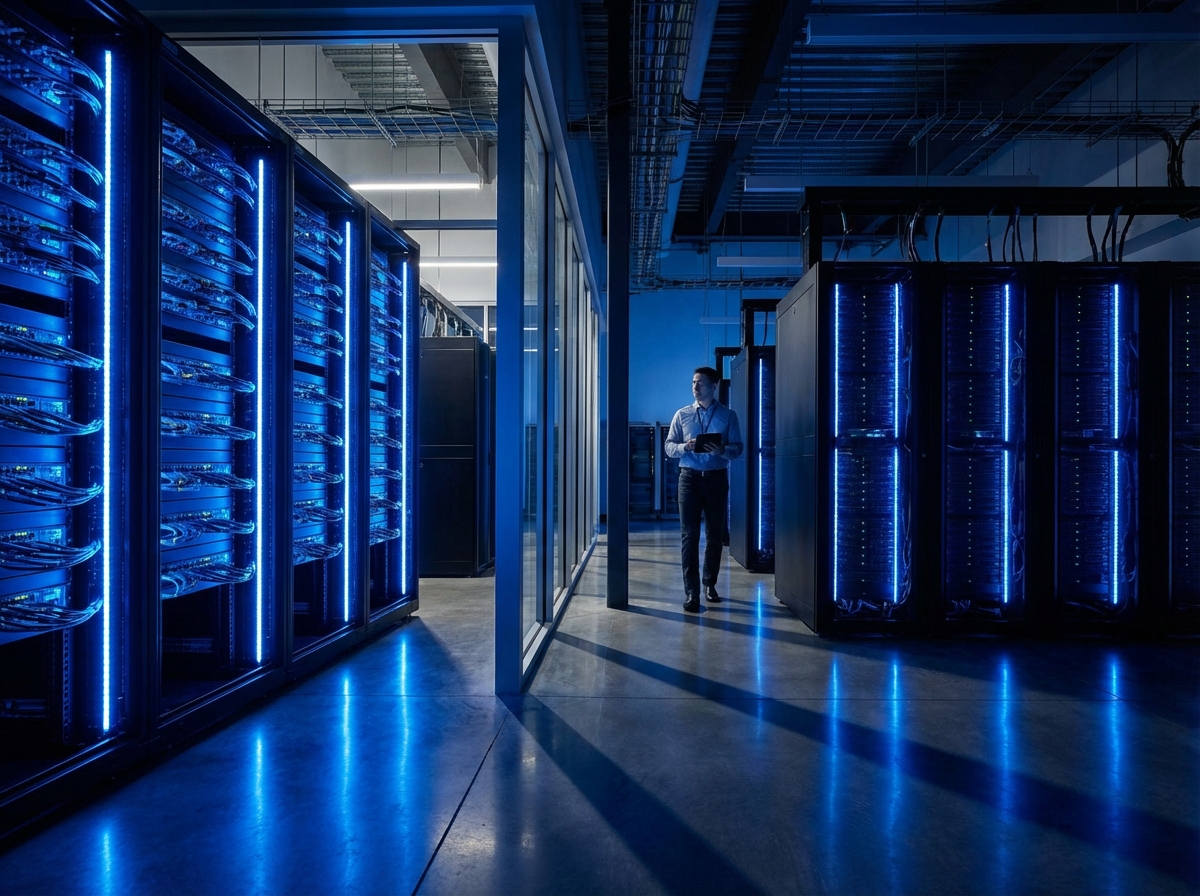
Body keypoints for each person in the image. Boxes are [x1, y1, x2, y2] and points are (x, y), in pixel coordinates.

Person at [664, 366, 743, 612]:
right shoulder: (682, 414)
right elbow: (668, 447)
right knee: (689, 535)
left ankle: (710, 584)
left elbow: (738, 449)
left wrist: (723, 451)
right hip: (689, 478)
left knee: (714, 535)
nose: (695, 387)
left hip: (716, 478)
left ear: (713, 386)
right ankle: (692, 593)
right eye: (693, 383)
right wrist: (684, 448)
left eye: (700, 383)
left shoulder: (728, 416)